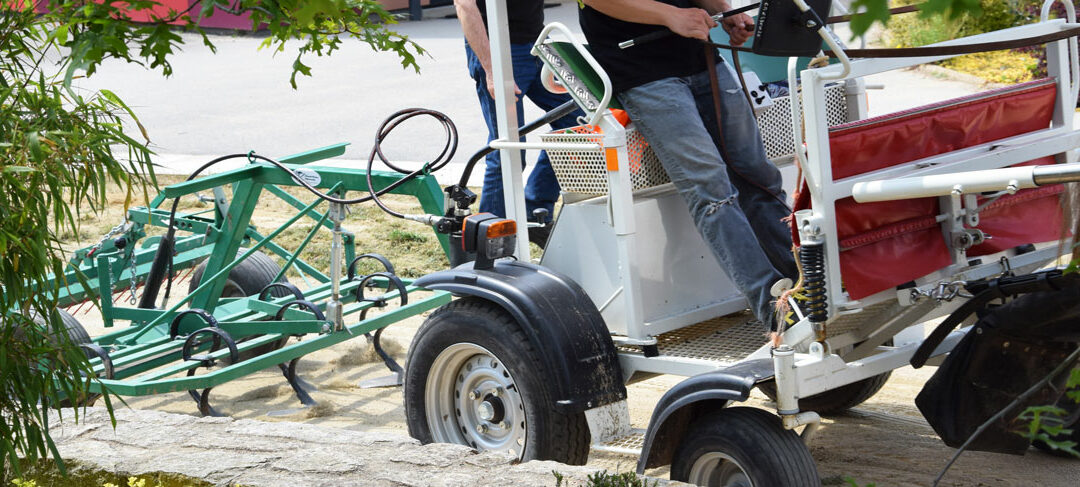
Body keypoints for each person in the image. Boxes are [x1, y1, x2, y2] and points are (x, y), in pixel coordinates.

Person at [579, 0, 798, 330]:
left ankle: (805, 282)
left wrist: (726, 11)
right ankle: (775, 308)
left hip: (700, 57)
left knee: (757, 174)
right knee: (711, 188)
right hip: (643, 73)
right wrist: (671, 15)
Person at [454, 0, 583, 245]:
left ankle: (534, 212)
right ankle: (487, 240)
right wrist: (491, 69)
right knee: (509, 148)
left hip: (538, 44)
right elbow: (465, 5)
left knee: (579, 125)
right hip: (499, 50)